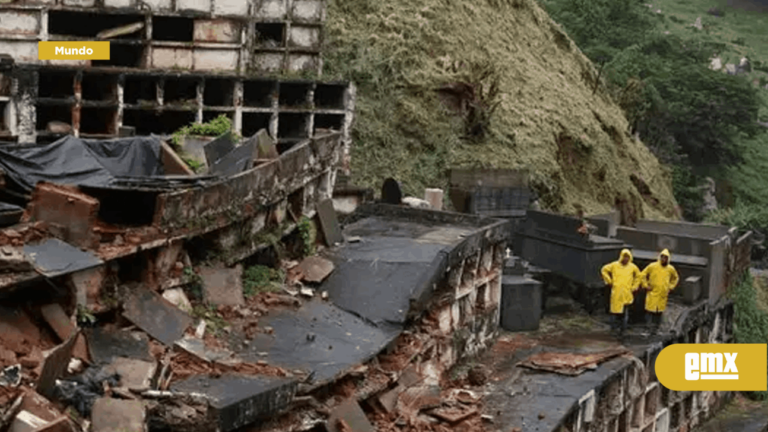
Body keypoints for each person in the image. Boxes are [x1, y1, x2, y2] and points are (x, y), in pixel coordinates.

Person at [600, 249, 642, 336]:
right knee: (614, 312)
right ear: (621, 256)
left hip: (627, 293)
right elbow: (604, 270)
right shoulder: (614, 265)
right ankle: (613, 329)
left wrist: (634, 287)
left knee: (625, 313)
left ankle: (623, 329)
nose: (626, 259)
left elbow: (639, 276)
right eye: (624, 256)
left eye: (627, 257)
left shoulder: (632, 267)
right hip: (616, 292)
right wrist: (609, 281)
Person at [640, 249, 679, 335]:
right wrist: (646, 285)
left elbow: (675, 278)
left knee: (659, 314)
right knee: (650, 312)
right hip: (652, 293)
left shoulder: (670, 269)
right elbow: (642, 275)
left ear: (668, 259)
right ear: (660, 257)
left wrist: (671, 287)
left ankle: (656, 330)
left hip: (662, 295)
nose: (664, 259)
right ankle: (648, 330)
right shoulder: (652, 266)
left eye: (665, 258)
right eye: (662, 257)